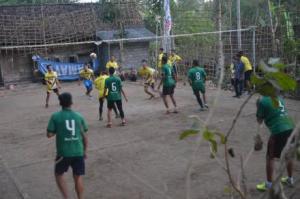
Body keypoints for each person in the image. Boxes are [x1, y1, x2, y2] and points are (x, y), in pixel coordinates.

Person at [47, 92, 88, 199]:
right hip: (78, 151)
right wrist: (85, 151)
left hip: (63, 153)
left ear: (60, 103)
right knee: (78, 177)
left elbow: (49, 134)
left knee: (58, 174)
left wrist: (59, 129)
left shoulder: (55, 116)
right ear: (71, 102)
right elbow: (84, 136)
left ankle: (66, 197)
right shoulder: (79, 116)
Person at [256, 94, 295, 191]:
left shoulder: (262, 101)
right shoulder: (279, 97)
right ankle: (290, 179)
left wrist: (258, 105)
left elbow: (259, 120)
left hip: (278, 130)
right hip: (291, 128)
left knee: (270, 158)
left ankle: (269, 185)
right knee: (288, 155)